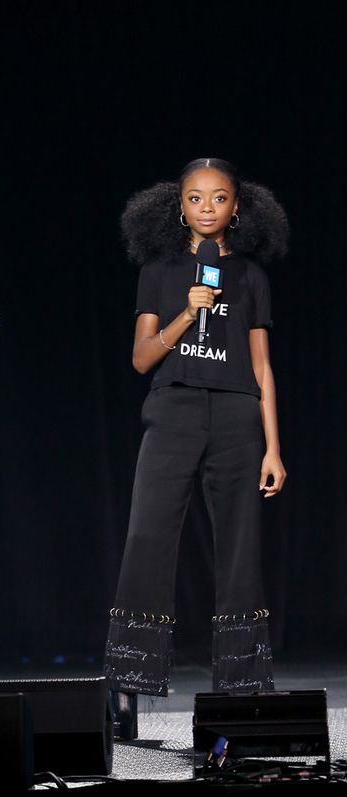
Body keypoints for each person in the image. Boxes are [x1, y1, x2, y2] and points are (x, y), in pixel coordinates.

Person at [104, 158, 288, 739]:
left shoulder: (252, 277)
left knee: (238, 547)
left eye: (219, 197)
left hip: (237, 417)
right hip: (174, 409)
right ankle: (127, 686)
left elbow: (263, 366)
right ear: (175, 205)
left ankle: (241, 688)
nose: (206, 207)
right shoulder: (159, 270)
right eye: (194, 198)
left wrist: (274, 449)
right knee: (146, 538)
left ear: (239, 207)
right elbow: (140, 359)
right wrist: (189, 310)